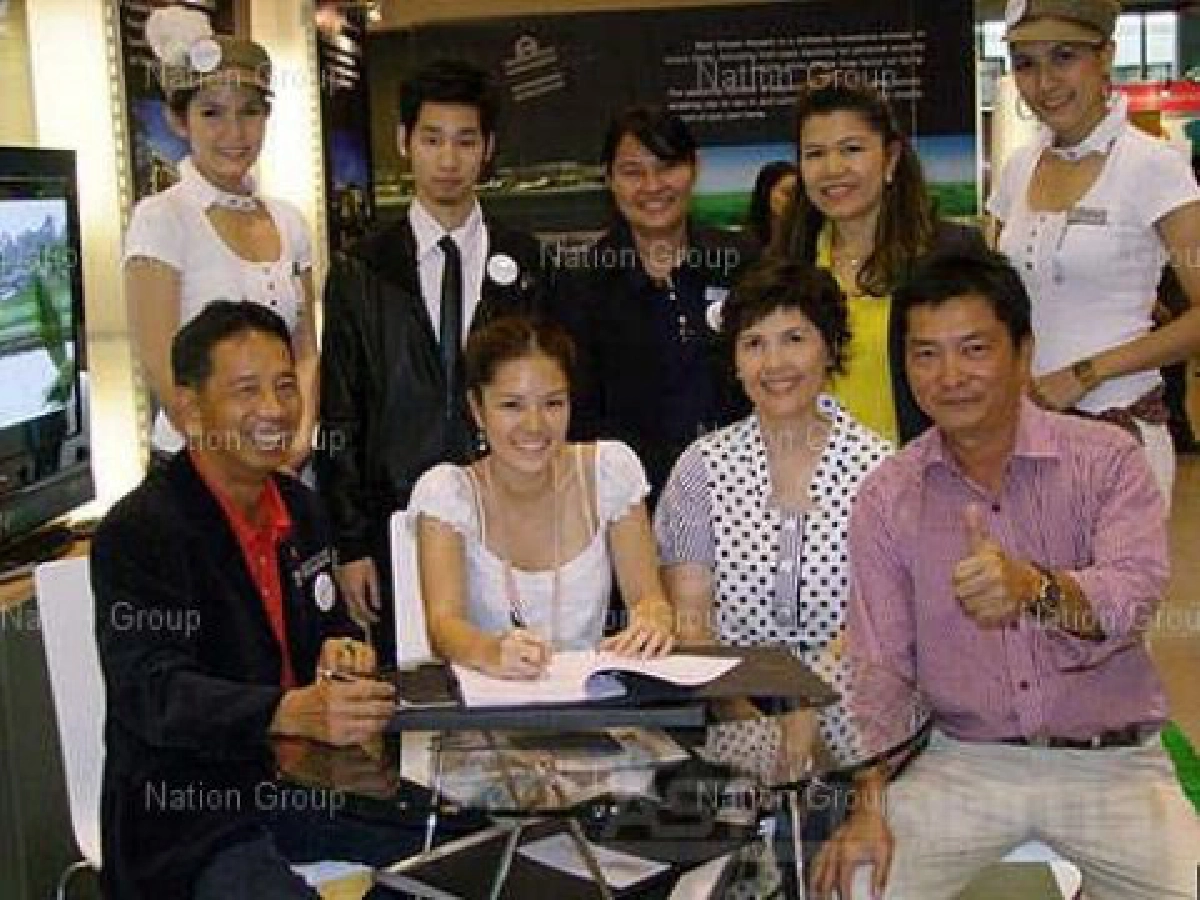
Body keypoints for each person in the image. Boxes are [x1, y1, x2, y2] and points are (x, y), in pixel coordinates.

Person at [816, 250, 1200, 900]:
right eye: (926, 354)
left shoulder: (1106, 458)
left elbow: (1132, 600)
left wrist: (1035, 589)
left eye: (974, 349)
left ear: (1023, 352)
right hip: (963, 761)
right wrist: (868, 803)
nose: (950, 377)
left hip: (1112, 765)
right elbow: (879, 665)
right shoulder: (888, 495)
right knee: (853, 887)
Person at [91, 302, 413, 899]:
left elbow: (330, 627)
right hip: (190, 812)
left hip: (307, 784)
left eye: (285, 386)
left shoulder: (302, 508)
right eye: (247, 390)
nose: (274, 408)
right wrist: (285, 711)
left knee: (466, 852)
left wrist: (345, 653)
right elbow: (153, 692)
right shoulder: (139, 531)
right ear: (191, 410)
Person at [654, 259, 892, 892]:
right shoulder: (701, 469)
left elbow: (875, 627)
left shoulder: (881, 470)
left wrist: (808, 713)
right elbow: (692, 629)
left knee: (837, 855)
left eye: (794, 338)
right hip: (733, 710)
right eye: (754, 343)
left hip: (860, 724)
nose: (774, 362)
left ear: (830, 347)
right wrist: (754, 722)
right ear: (734, 362)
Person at [317, 59, 552, 664]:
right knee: (415, 686)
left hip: (509, 517)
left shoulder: (526, 260)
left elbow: (552, 398)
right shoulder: (361, 269)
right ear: (404, 142)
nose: (448, 160)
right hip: (398, 522)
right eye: (432, 139)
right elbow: (339, 412)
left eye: (465, 141)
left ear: (488, 149)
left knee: (516, 672)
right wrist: (350, 544)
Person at [988, 0, 1200, 499]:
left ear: (1105, 56)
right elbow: (994, 299)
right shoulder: (1018, 169)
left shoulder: (1153, 166)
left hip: (1118, 430)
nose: (1045, 82)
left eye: (1064, 56)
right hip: (1026, 432)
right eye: (1026, 63)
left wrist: (1086, 373)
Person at [411, 315, 674, 677]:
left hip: (591, 698)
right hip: (487, 699)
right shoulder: (446, 493)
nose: (534, 425)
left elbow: (648, 598)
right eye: (512, 405)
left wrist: (652, 622)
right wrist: (490, 652)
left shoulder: (610, 470)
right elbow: (443, 626)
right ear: (477, 409)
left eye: (553, 404)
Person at [124, 5, 317, 472]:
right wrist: (234, 464)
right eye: (212, 113)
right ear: (179, 120)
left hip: (282, 465)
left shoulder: (290, 221)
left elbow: (306, 352)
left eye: (250, 112)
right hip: (196, 467)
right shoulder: (161, 219)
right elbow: (163, 368)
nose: (234, 132)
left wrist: (295, 446)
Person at [557, 106, 754, 498]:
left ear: (694, 169)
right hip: (628, 502)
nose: (652, 186)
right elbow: (577, 416)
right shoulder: (581, 288)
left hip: (743, 494)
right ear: (609, 179)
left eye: (667, 167)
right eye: (633, 172)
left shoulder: (745, 265)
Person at [778, 82, 986, 446]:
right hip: (812, 472)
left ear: (890, 159)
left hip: (923, 469)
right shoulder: (784, 265)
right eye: (814, 154)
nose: (832, 168)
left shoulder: (949, 257)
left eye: (852, 149)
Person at [746, 160, 796, 250]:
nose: (794, 200)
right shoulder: (745, 241)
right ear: (765, 193)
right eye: (787, 193)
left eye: (799, 195)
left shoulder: (808, 236)